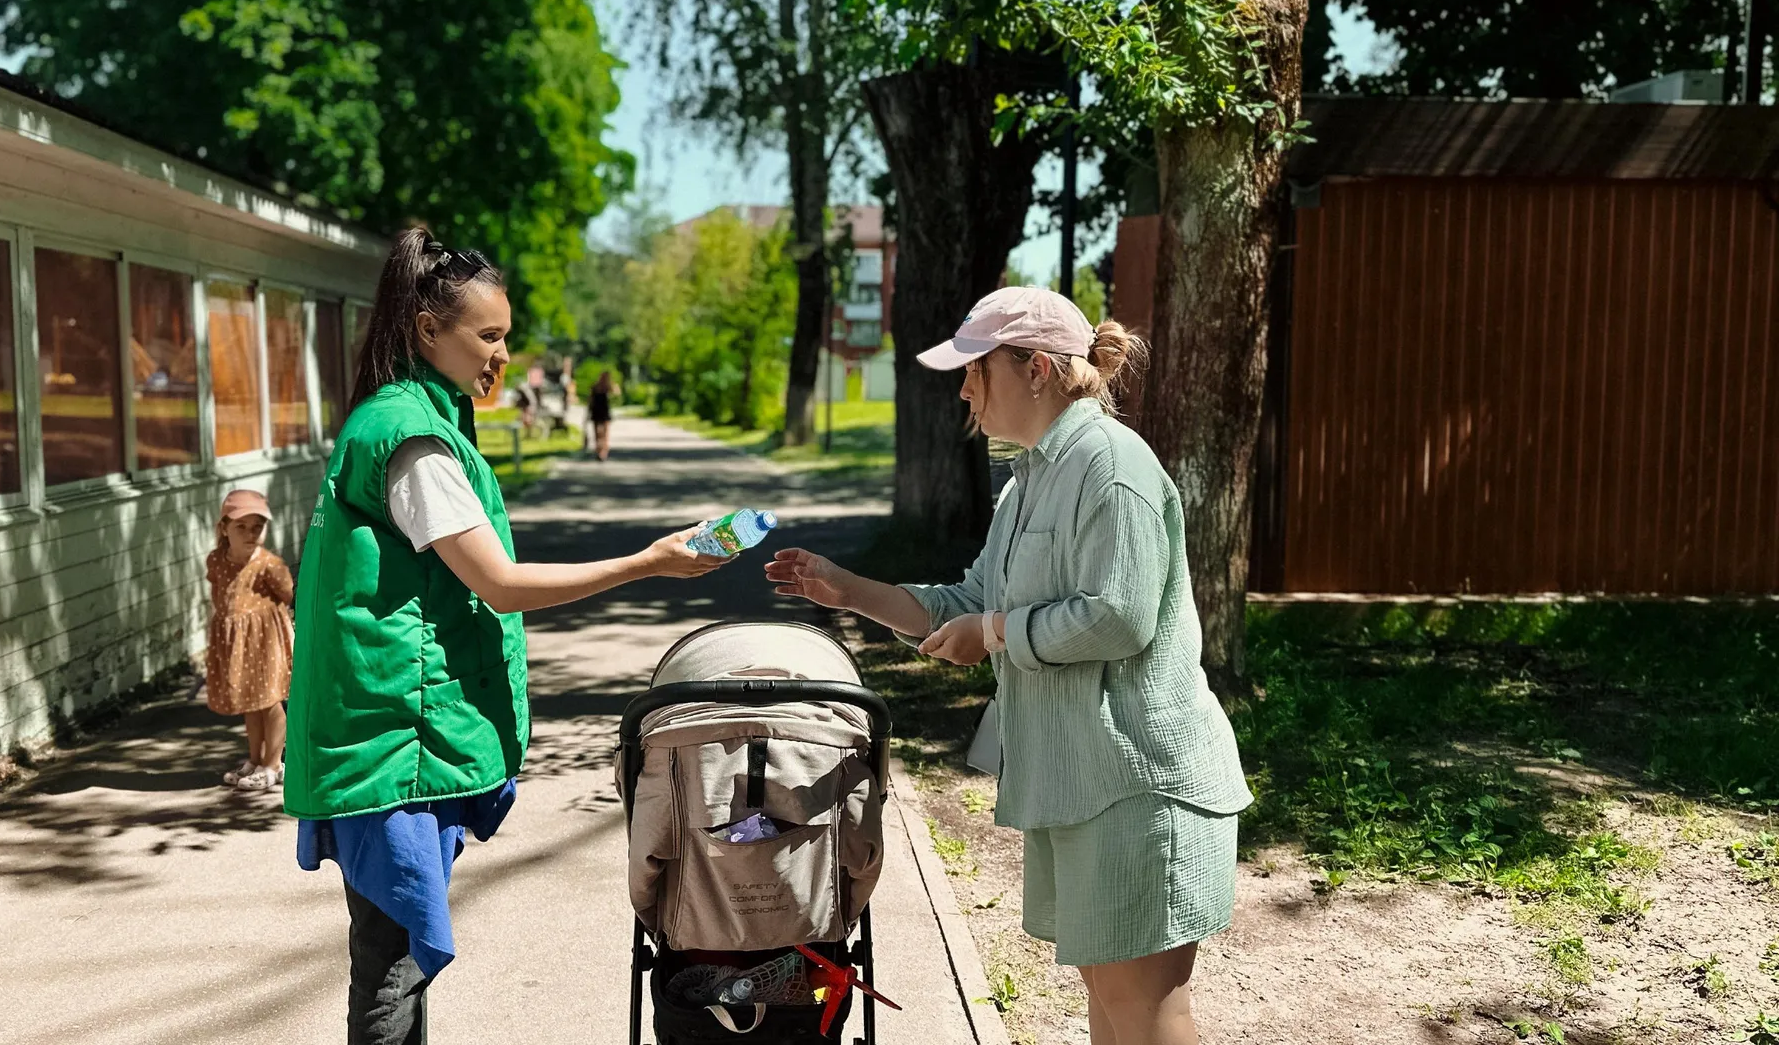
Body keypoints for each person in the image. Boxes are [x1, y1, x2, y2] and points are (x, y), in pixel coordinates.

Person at [766, 287, 1253, 1045]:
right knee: (1112, 1004)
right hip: (1087, 784)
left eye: (974, 367)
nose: (962, 386)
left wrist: (993, 632)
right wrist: (848, 589)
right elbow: (970, 598)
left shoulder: (1112, 465)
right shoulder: (1030, 478)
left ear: (1035, 369)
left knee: (1145, 1012)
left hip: (1140, 788)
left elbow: (1119, 615)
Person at [285, 228, 727, 1045]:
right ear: (426, 329)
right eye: (487, 337)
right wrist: (646, 562)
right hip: (394, 748)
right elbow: (499, 583)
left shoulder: (415, 419)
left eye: (506, 339)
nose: (500, 358)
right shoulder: (410, 440)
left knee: (392, 960)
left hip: (388, 740)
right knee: (390, 968)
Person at [204, 488, 294, 791]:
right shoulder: (216, 561)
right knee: (250, 704)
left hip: (265, 643)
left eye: (257, 527)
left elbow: (287, 594)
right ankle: (255, 760)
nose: (250, 534)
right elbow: (221, 598)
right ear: (224, 528)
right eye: (240, 526)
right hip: (237, 646)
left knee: (269, 703)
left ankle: (273, 764)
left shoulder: (268, 564)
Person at [588, 369, 619, 460]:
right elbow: (590, 400)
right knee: (597, 432)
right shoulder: (595, 387)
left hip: (604, 411)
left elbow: (617, 393)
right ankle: (599, 449)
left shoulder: (608, 387)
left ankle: (603, 451)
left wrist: (612, 384)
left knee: (605, 433)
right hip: (596, 410)